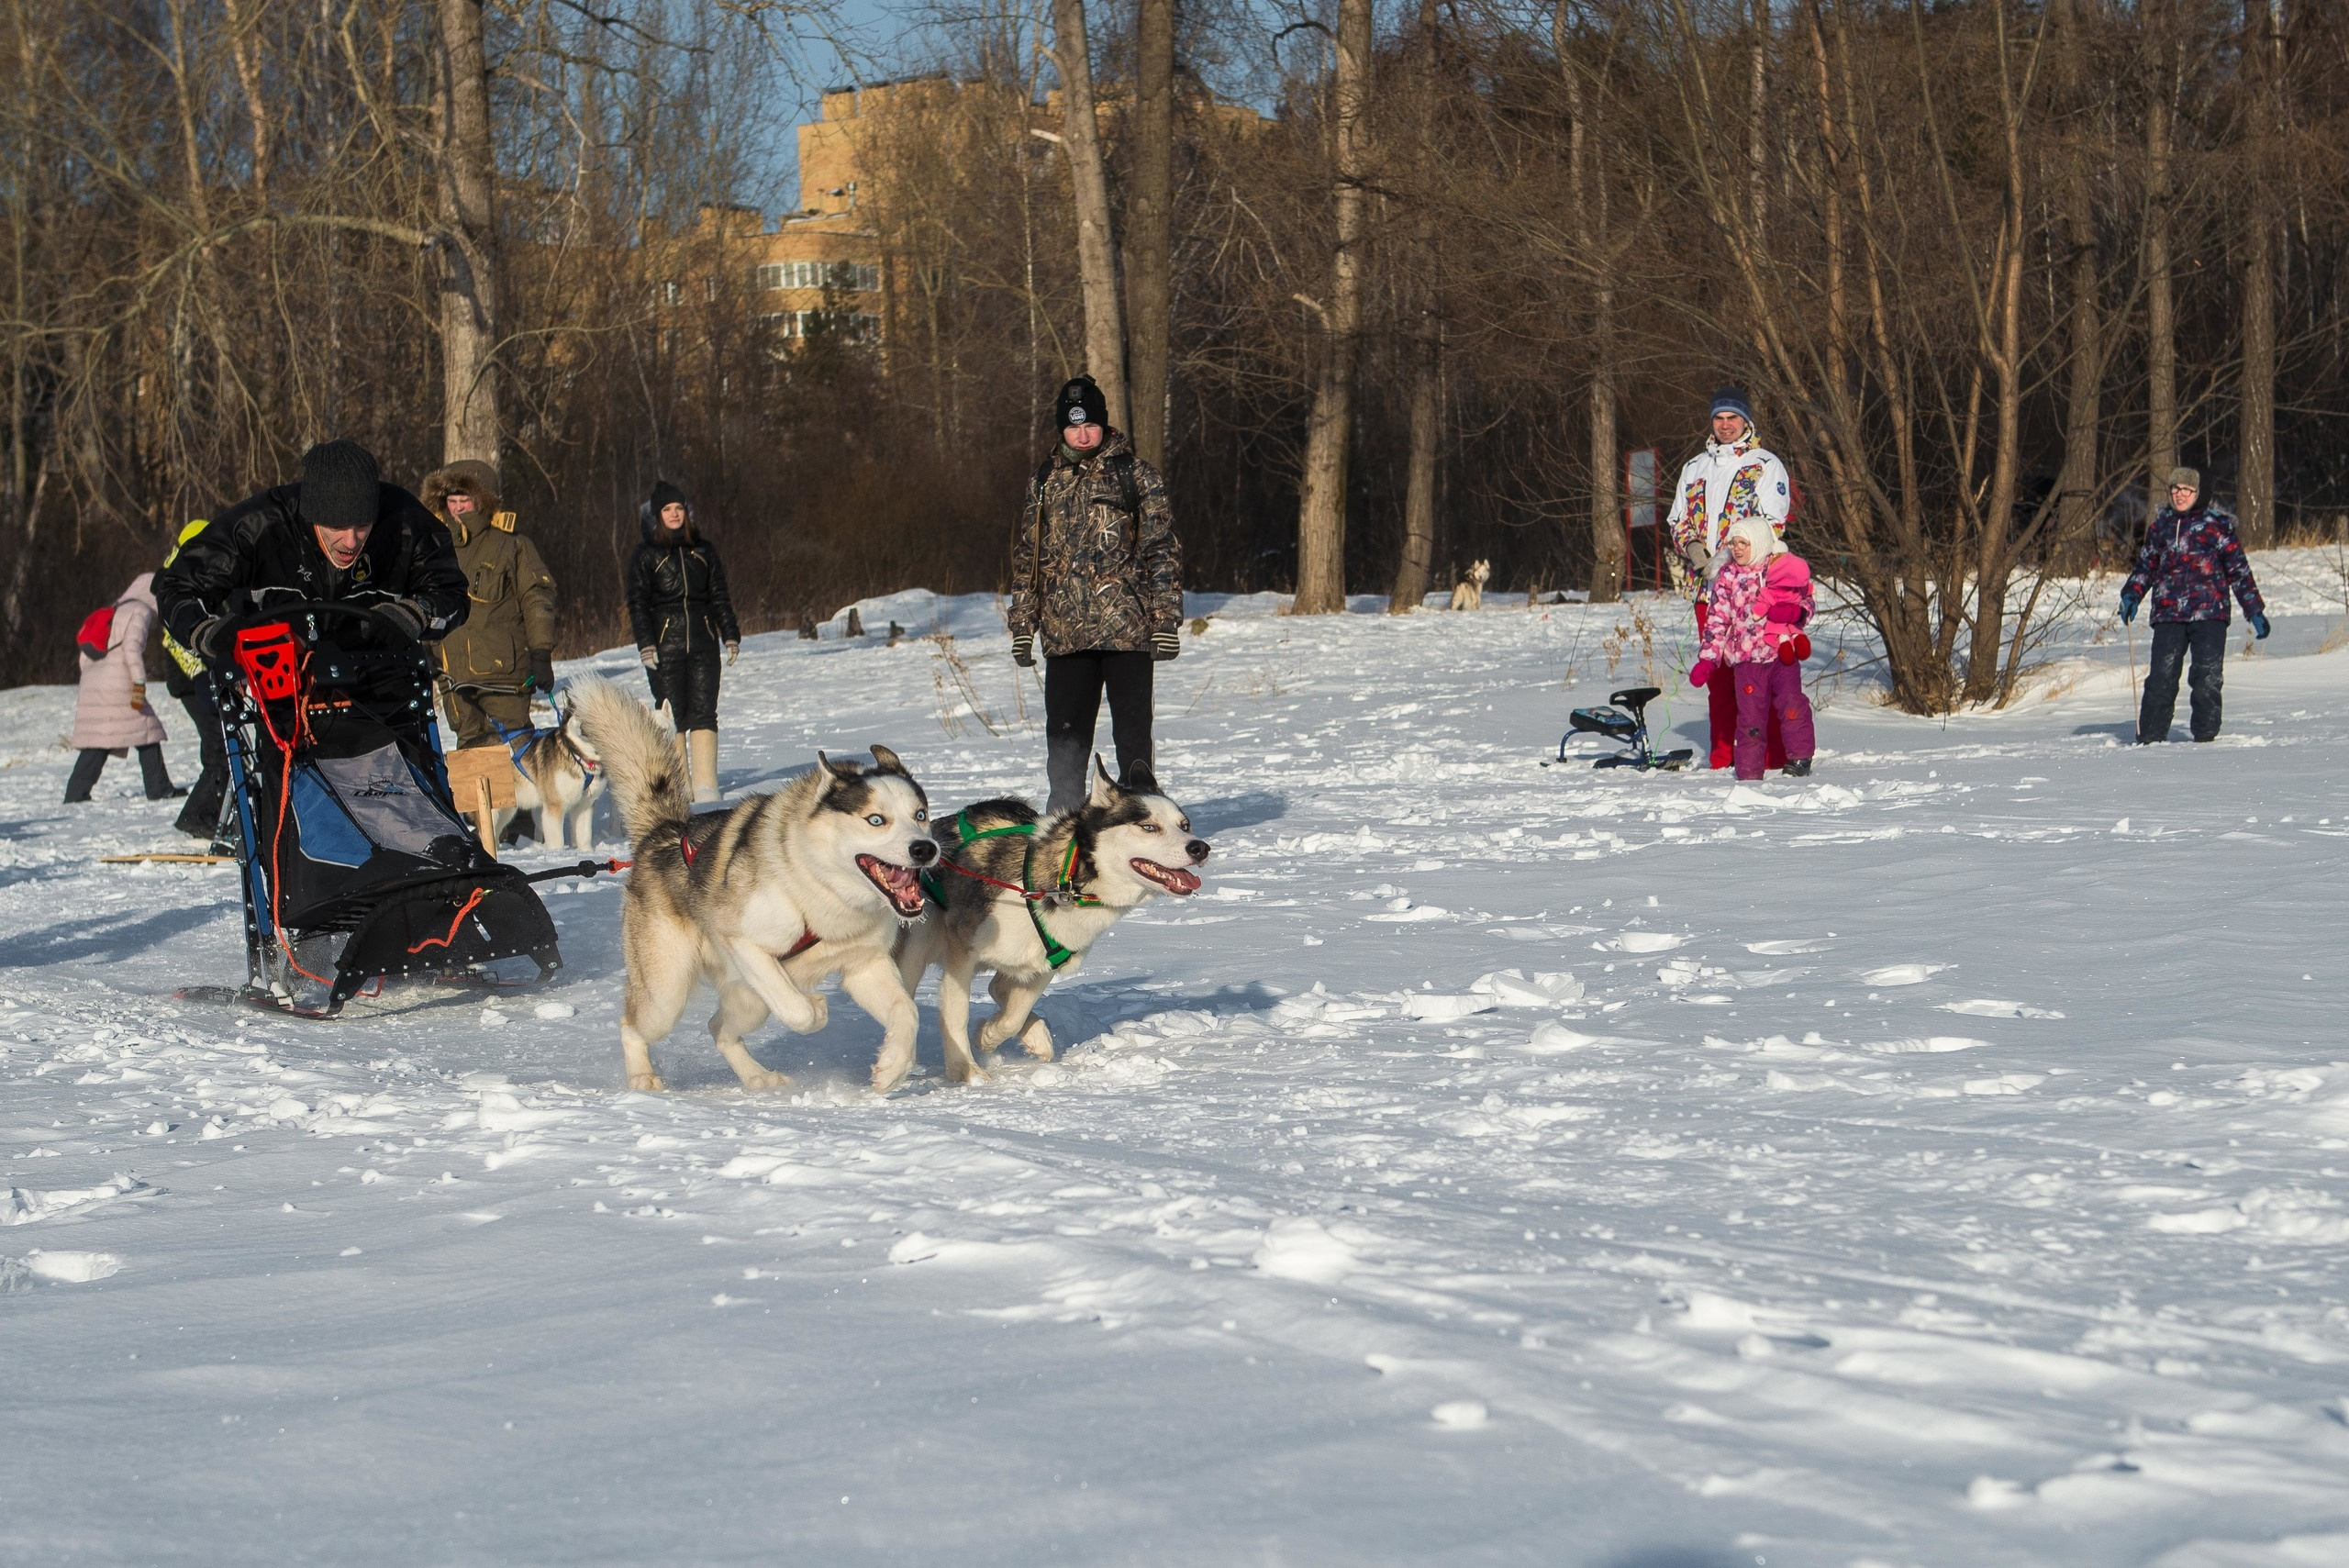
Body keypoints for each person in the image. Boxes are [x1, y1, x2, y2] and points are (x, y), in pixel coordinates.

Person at [153, 439, 468, 691]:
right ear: (313, 515)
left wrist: (417, 613)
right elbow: (178, 586)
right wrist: (205, 631)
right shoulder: (260, 526)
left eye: (362, 526)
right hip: (282, 688)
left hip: (382, 686)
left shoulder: (403, 521)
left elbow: (450, 591)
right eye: (337, 527)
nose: (351, 541)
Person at [1008, 374, 1184, 814]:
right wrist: (1023, 624)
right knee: (1065, 740)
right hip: (1065, 635)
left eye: (1090, 425)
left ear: (1104, 425)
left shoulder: (1137, 476)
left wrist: (1165, 621)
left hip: (1128, 631)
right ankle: (1064, 828)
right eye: (1072, 427)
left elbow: (1162, 551)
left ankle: (1143, 820)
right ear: (1061, 430)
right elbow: (1029, 557)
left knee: (1133, 738)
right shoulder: (1044, 481)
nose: (1082, 435)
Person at [1667, 386, 1791, 771]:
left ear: (1746, 422)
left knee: (1756, 670)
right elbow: (1678, 519)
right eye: (1719, 419)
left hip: (1749, 588)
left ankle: (1770, 755)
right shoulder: (1693, 468)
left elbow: (1773, 524)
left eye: (1732, 419)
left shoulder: (1765, 464)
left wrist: (1725, 556)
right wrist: (1691, 547)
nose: (1725, 426)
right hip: (1706, 590)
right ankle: (1722, 754)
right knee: (1717, 673)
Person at [2121, 467, 2268, 744]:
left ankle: (2205, 736)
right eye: (2175, 489)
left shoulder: (2217, 525)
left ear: (2198, 493)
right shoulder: (2160, 527)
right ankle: (2150, 737)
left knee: (2206, 677)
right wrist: (2132, 594)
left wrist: (2254, 610)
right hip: (2168, 613)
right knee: (2161, 676)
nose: (2180, 495)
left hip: (2209, 612)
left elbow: (2238, 570)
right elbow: (2146, 566)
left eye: (2186, 490)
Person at [419, 460, 558, 750]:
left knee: (516, 753)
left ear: (482, 500)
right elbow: (426, 602)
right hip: (453, 677)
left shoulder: (512, 545)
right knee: (472, 761)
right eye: (451, 500)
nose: (457, 508)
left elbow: (537, 597)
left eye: (464, 500)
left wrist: (541, 653)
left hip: (504, 677)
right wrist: (426, 650)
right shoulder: (435, 548)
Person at [625, 480, 739, 803]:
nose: (674, 515)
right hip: (665, 644)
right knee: (671, 714)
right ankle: (679, 785)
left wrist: (730, 634)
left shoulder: (703, 549)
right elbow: (638, 603)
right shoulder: (645, 555)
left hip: (704, 641)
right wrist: (646, 644)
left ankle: (705, 785)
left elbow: (719, 596)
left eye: (679, 508)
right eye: (667, 509)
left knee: (704, 712)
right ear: (657, 515)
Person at [1688, 518, 1817, 781]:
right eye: (1733, 543)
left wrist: (1798, 612)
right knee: (1750, 717)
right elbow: (1717, 620)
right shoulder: (1727, 576)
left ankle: (1800, 756)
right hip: (1746, 661)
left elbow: (1805, 597)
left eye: (1743, 543)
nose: (1737, 549)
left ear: (1757, 543)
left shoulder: (1779, 567)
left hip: (1782, 653)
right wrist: (1708, 660)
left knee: (1791, 704)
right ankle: (1748, 771)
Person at [63, 573, 184, 805]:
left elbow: (84, 656)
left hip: (95, 680)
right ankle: (159, 788)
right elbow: (132, 650)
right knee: (146, 731)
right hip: (121, 681)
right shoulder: (140, 611)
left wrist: (92, 680)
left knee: (100, 738)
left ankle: (75, 793)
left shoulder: (113, 609)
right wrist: (139, 683)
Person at [156, 519, 233, 843]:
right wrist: (202, 674)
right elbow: (177, 638)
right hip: (190, 677)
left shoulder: (192, 573)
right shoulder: (177, 579)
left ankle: (208, 816)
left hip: (198, 675)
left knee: (221, 745)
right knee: (219, 748)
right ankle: (198, 817)